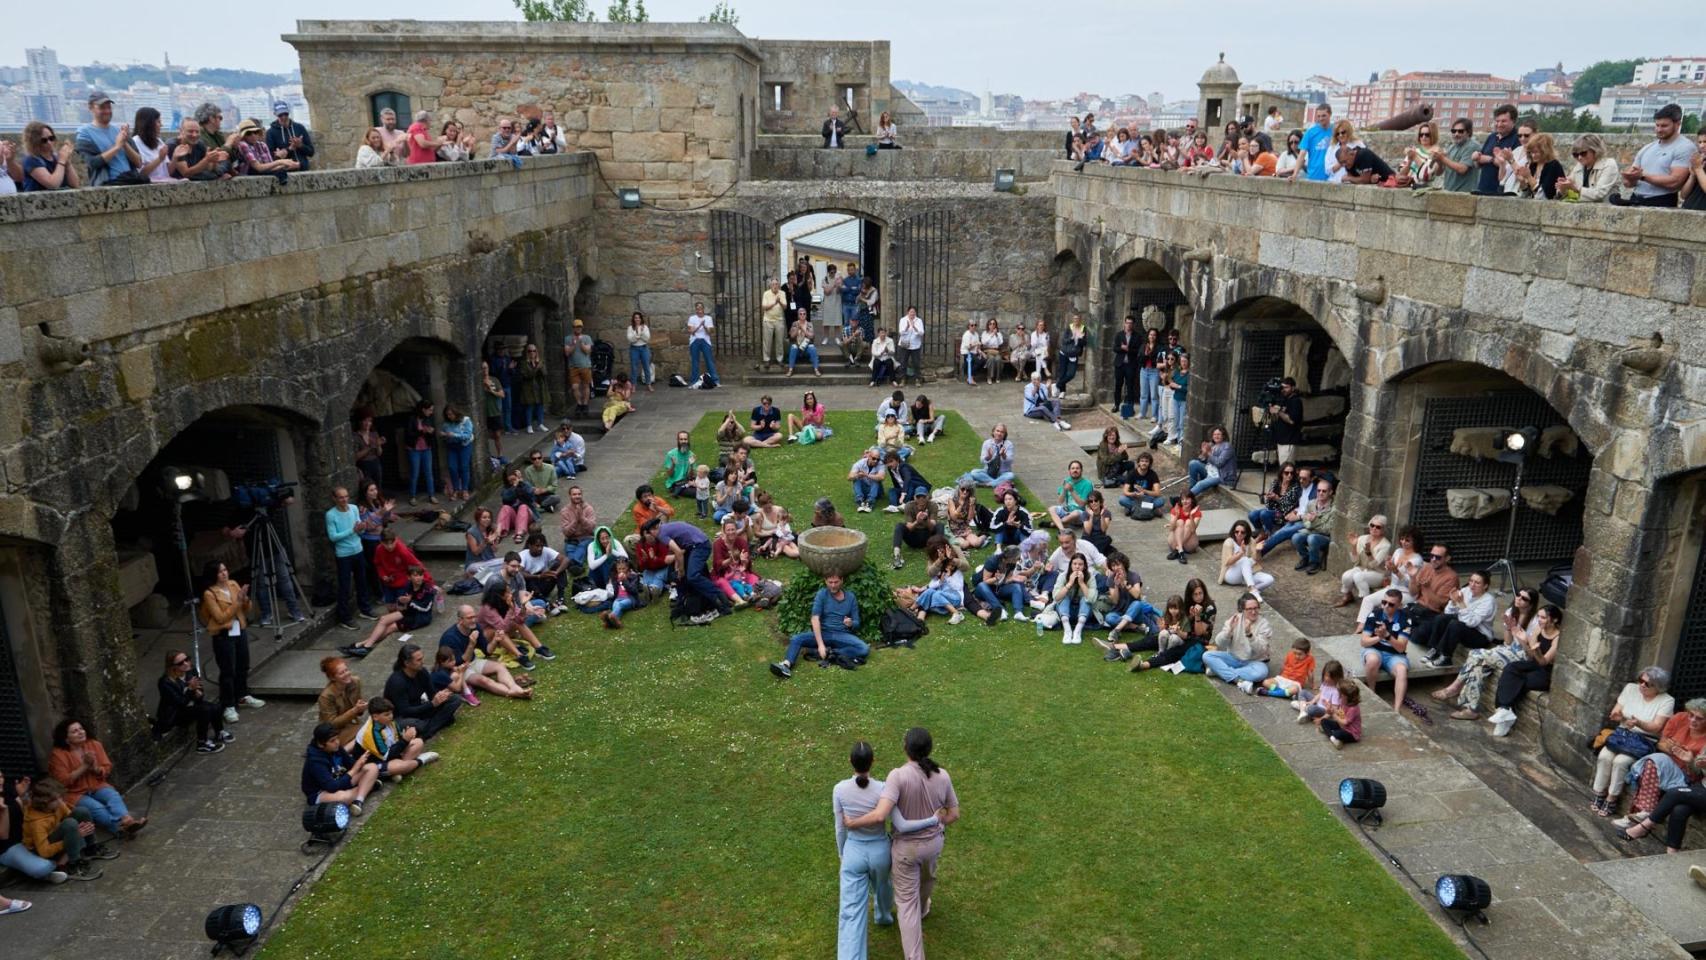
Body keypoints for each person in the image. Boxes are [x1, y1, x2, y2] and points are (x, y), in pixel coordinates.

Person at [842, 728, 960, 960]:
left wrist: (852, 823)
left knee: (907, 907)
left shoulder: (897, 776)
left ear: (905, 748)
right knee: (927, 879)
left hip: (906, 851)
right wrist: (937, 823)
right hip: (934, 845)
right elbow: (954, 814)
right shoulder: (943, 775)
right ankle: (924, 906)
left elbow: (879, 815)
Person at [1614, 697, 1706, 828]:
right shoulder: (1680, 718)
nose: (1692, 720)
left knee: (1654, 761)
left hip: (1687, 776)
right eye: (1691, 715)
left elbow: (1698, 773)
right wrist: (1672, 749)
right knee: (1652, 764)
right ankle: (1642, 813)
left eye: (1699, 718)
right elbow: (1661, 744)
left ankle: (1642, 812)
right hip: (1667, 765)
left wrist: (1690, 761)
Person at [49, 719, 147, 837]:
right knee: (98, 808)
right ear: (66, 738)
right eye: (74, 731)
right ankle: (122, 828)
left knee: (113, 796)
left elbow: (107, 768)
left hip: (97, 785)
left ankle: (127, 820)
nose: (80, 732)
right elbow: (62, 781)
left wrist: (95, 768)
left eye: (81, 729)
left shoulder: (94, 744)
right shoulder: (58, 754)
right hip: (75, 793)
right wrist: (84, 766)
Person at [199, 562, 264, 725]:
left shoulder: (233, 584)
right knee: (228, 670)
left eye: (225, 570)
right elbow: (220, 617)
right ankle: (228, 704)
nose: (224, 574)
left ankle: (243, 694)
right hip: (223, 633)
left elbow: (246, 610)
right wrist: (237, 602)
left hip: (239, 629)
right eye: (220, 571)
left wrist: (245, 599)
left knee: (243, 664)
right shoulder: (209, 593)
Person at [770, 573, 868, 678]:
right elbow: (815, 619)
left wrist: (851, 623)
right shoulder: (822, 594)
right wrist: (820, 645)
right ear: (825, 581)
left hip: (842, 634)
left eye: (836, 582)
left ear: (842, 580)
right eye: (830, 582)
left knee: (863, 648)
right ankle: (786, 665)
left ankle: (831, 653)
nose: (833, 585)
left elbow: (857, 622)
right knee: (796, 639)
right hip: (824, 633)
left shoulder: (851, 597)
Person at [1612, 103, 1699, 208]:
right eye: (1657, 125)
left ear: (1677, 124)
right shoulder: (1647, 148)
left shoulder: (1685, 147)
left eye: (1664, 126)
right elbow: (1629, 183)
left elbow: (1675, 181)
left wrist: (1642, 176)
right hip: (1635, 198)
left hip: (1662, 200)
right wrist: (1629, 177)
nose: (1659, 129)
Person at [22, 778, 106, 882]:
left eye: (60, 797)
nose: (61, 800)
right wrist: (76, 836)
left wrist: (82, 829)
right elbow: (44, 852)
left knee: (81, 811)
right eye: (56, 799)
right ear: (44, 802)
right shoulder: (37, 823)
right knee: (70, 824)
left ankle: (91, 848)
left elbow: (71, 817)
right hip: (43, 849)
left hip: (56, 835)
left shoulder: (57, 805)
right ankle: (73, 864)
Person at [153, 649, 230, 753]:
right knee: (204, 710)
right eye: (180, 663)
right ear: (173, 666)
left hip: (190, 705)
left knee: (215, 707)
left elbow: (199, 691)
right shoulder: (165, 682)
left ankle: (219, 732)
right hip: (175, 714)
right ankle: (202, 743)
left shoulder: (191, 670)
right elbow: (180, 703)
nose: (186, 663)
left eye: (187, 659)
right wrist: (190, 690)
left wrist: (198, 694)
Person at [383, 642, 463, 740]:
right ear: (407, 663)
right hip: (402, 717)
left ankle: (430, 726)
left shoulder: (422, 672)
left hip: (420, 708)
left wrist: (440, 696)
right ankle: (433, 726)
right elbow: (404, 711)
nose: (423, 662)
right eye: (419, 660)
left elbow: (431, 694)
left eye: (422, 658)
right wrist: (432, 704)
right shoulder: (397, 682)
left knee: (455, 699)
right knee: (417, 724)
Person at [300, 721, 378, 817]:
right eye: (332, 741)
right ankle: (368, 786)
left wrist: (360, 762)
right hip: (322, 791)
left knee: (372, 768)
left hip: (340, 780)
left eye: (337, 738)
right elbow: (332, 787)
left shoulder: (336, 748)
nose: (337, 742)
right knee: (344, 797)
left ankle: (358, 801)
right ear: (321, 744)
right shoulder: (315, 761)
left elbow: (351, 764)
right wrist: (354, 769)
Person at [1203, 593, 1272, 691]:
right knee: (1207, 655)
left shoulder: (1264, 625)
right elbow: (1219, 642)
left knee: (1261, 672)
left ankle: (1219, 671)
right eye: (1249, 609)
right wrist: (1229, 632)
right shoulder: (1235, 619)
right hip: (1233, 658)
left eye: (1256, 608)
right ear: (1242, 610)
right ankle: (1239, 680)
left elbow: (1261, 650)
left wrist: (1250, 635)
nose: (1253, 612)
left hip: (1254, 662)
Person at [1360, 589, 1413, 710]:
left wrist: (1387, 636)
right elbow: (1363, 642)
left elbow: (1401, 648)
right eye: (1384, 602)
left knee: (1401, 670)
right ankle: (1372, 694)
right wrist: (1379, 637)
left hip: (1395, 655)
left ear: (1399, 605)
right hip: (1374, 649)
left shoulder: (1405, 619)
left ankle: (1397, 710)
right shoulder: (1375, 614)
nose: (1386, 606)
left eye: (1391, 604)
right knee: (1372, 660)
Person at [74, 90, 139, 187]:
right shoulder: (84, 134)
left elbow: (139, 162)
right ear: (90, 108)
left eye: (109, 107)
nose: (107, 111)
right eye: (102, 108)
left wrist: (124, 143)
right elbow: (92, 163)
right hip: (107, 183)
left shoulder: (119, 130)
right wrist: (117, 147)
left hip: (130, 179)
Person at [1336, 515, 1392, 607]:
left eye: (1378, 527)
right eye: (1372, 525)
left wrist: (1369, 553)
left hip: (1378, 573)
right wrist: (1354, 545)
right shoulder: (1362, 539)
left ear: (1383, 529)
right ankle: (1348, 595)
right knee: (1346, 576)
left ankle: (1366, 603)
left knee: (1358, 576)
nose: (1374, 528)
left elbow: (1374, 565)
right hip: (1362, 568)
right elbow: (1354, 560)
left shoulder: (1385, 545)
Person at [1289, 478, 1338, 576]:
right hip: (1310, 532)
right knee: (1295, 537)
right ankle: (1305, 557)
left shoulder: (1334, 509)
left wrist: (1314, 521)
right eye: (1319, 490)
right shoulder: (1311, 503)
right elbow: (1305, 522)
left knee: (1312, 538)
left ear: (1330, 492)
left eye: (1324, 491)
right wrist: (1310, 523)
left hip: (1325, 537)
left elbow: (1328, 529)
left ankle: (1314, 563)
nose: (1320, 493)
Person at [1470, 104, 1520, 195]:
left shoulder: (1518, 139)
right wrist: (1476, 159)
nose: (1499, 124)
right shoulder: (1492, 137)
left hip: (1502, 191)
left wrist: (1490, 159)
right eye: (1497, 121)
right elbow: (1479, 165)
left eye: (1503, 121)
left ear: (1513, 121)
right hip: (1483, 188)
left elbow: (1513, 166)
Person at [1049, 553, 1098, 645]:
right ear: (1070, 565)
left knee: (1085, 599)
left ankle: (1077, 631)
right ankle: (1067, 631)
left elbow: (1092, 599)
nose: (1077, 567)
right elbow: (1056, 597)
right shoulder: (1063, 575)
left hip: (1084, 614)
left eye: (1080, 564)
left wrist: (1082, 583)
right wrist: (1070, 583)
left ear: (1085, 566)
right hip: (1066, 613)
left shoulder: (1090, 577)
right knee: (1064, 597)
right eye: (1074, 564)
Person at [1219, 520, 1274, 600]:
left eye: (1242, 532)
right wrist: (1240, 553)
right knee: (1244, 559)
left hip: (1246, 575)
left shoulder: (1251, 540)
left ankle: (1252, 591)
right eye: (1236, 531)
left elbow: (1256, 560)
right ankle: (1252, 589)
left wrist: (1258, 551)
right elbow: (1227, 562)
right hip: (1231, 575)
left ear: (1247, 533)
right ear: (1233, 531)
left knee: (1269, 579)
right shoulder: (1229, 542)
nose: (1239, 534)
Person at [20, 121, 82, 191]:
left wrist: (67, 162)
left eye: (51, 138)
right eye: (44, 140)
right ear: (34, 142)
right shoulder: (31, 159)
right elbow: (52, 184)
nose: (49, 142)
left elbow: (75, 184)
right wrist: (61, 161)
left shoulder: (56, 157)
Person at [1564, 133, 1622, 203]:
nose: (1579, 157)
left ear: (1595, 150)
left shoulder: (1609, 164)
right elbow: (1569, 193)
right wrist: (1562, 188)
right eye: (1575, 155)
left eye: (1583, 153)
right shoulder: (1579, 166)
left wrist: (1575, 188)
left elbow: (1599, 194)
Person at [1186, 426, 1237, 496]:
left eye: (1218, 434)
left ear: (1223, 436)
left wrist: (1209, 453)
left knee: (1200, 484)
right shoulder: (1213, 445)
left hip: (1221, 475)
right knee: (1193, 463)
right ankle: (1192, 489)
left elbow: (1219, 463)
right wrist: (1204, 453)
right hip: (1210, 470)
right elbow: (1203, 461)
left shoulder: (1227, 447)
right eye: (1214, 434)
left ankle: (1186, 497)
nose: (1216, 436)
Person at [265, 101, 315, 171]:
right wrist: (289, 149)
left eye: (286, 114)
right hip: (285, 171)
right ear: (275, 114)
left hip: (303, 169)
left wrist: (300, 145)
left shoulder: (299, 128)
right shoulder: (271, 132)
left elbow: (311, 152)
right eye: (280, 115)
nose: (284, 117)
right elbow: (270, 157)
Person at [1049, 460, 1093, 530]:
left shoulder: (1087, 484)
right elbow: (1060, 501)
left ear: (1081, 470)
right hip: (1067, 511)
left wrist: (1072, 491)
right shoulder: (1067, 480)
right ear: (1069, 471)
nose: (1075, 470)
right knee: (1051, 509)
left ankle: (1056, 523)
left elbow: (1082, 504)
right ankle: (1062, 529)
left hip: (1080, 513)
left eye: (1077, 468)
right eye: (1073, 468)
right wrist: (1064, 489)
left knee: (1075, 513)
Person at [1319, 682, 1363, 750]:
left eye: (1341, 694)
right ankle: (1333, 738)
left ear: (1347, 696)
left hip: (1351, 733)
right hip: (1342, 726)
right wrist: (1331, 709)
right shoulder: (1343, 701)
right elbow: (1340, 713)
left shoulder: (1353, 708)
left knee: (1337, 734)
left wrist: (1333, 715)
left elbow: (1345, 722)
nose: (1339, 696)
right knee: (1323, 721)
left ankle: (1331, 734)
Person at [687, 301, 719, 386]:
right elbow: (691, 332)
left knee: (709, 360)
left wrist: (704, 326)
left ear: (703, 309)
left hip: (705, 341)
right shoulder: (692, 318)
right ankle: (694, 381)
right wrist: (699, 326)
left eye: (700, 308)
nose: (699, 310)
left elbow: (710, 332)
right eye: (697, 309)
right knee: (695, 361)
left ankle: (715, 380)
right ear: (695, 309)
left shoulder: (708, 318)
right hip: (695, 341)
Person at [1165, 490, 1203, 562]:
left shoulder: (1197, 512)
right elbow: (1171, 528)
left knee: (1188, 522)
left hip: (1189, 544)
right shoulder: (1176, 509)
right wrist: (1176, 516)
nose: (1184, 501)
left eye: (1187, 499)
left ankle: (1178, 549)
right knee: (1180, 522)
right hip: (1174, 541)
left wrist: (1191, 516)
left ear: (1192, 500)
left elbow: (1192, 530)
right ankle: (1180, 551)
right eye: (1182, 499)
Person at [849, 447, 888, 513]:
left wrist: (866, 475)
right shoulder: (860, 463)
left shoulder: (881, 464)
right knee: (856, 479)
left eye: (878, 459)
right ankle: (860, 501)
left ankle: (870, 502)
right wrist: (858, 475)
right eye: (873, 458)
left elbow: (881, 477)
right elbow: (849, 477)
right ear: (869, 456)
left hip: (877, 491)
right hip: (865, 489)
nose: (876, 461)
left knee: (876, 480)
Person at [787, 309, 823, 377]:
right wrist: (798, 328)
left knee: (812, 348)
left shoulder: (809, 324)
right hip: (797, 346)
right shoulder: (794, 323)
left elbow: (811, 336)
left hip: (806, 346)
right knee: (793, 347)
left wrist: (803, 329)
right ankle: (790, 370)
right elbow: (792, 336)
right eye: (800, 314)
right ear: (798, 315)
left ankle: (816, 369)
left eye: (804, 314)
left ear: (806, 315)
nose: (802, 315)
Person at [1056, 314, 1087, 391]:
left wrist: (1080, 339)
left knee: (1071, 374)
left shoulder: (1083, 328)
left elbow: (1085, 343)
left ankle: (1058, 384)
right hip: (1064, 353)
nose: (1076, 320)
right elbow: (1064, 341)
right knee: (1062, 373)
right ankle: (1062, 391)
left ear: (1080, 320)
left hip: (1074, 354)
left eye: (1077, 319)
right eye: (1074, 319)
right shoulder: (1069, 328)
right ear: (1073, 320)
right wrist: (1072, 337)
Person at [896, 307, 924, 385]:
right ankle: (903, 379)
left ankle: (917, 379)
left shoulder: (919, 321)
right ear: (908, 312)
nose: (912, 313)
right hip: (905, 345)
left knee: (916, 363)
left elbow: (921, 333)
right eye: (911, 312)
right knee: (903, 362)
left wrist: (914, 327)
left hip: (915, 345)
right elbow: (901, 332)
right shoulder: (903, 320)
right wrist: (907, 327)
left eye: (914, 312)